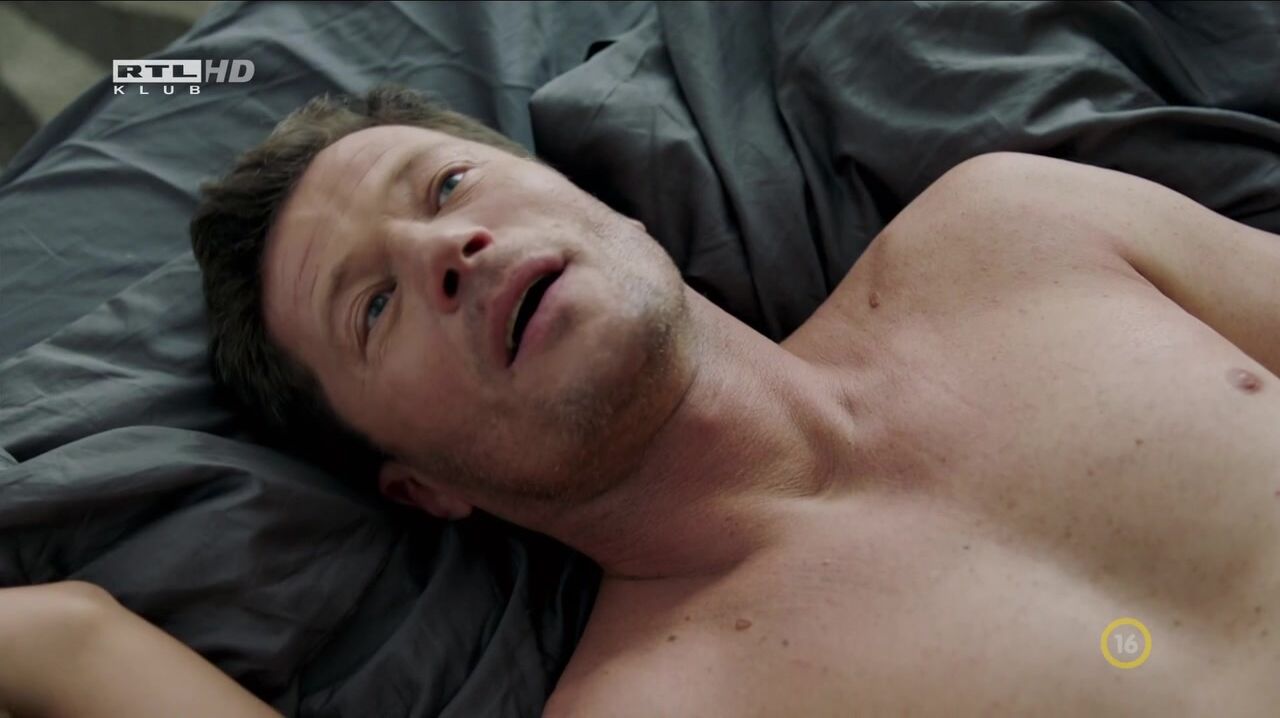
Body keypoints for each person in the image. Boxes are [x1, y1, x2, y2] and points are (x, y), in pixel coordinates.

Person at [7, 83, 1278, 716]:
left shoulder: (1016, 232)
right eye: (373, 306)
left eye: (446, 188)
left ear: (575, 191)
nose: (445, 250)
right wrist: (71, 639)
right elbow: (61, 638)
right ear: (420, 487)